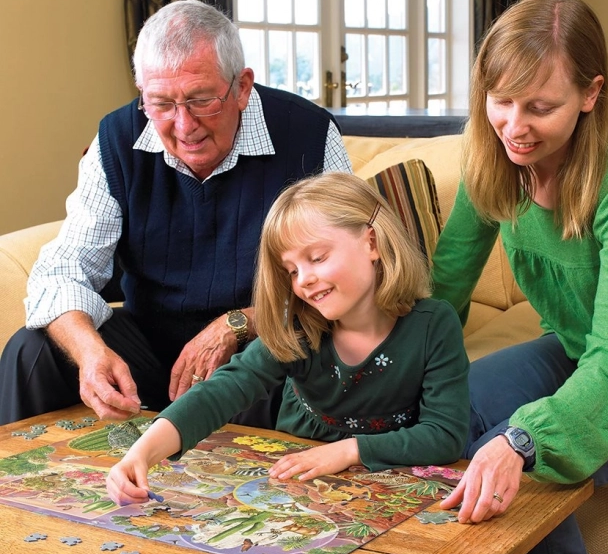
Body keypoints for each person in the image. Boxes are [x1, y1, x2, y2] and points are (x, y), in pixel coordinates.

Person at [0, 0, 352, 426]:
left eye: (202, 100)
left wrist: (239, 324)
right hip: (151, 351)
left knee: (283, 361)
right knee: (31, 350)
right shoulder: (116, 138)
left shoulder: (308, 134)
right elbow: (63, 269)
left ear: (241, 87)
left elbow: (346, 275)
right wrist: (90, 352)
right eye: (161, 104)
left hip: (261, 343)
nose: (183, 126)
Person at [433, 0, 608, 554]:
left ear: (590, 95)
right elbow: (445, 286)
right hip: (575, 350)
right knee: (441, 420)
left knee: (525, 468)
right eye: (501, 101)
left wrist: (525, 438)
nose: (514, 126)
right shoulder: (492, 157)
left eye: (540, 106)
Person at [106, 172, 470, 503]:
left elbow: (444, 435)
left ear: (371, 243)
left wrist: (347, 451)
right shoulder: (300, 326)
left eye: (317, 257)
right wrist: (142, 452)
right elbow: (222, 390)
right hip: (295, 477)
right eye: (292, 270)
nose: (304, 280)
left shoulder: (434, 324)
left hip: (388, 480)